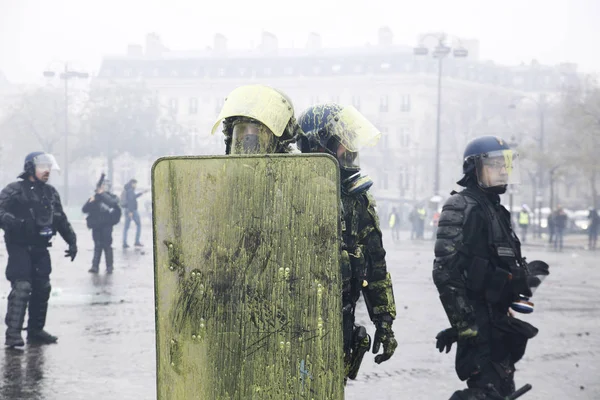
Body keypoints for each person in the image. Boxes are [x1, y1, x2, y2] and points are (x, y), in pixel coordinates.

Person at [432, 136, 545, 399]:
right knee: (485, 393)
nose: (503, 170)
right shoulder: (461, 205)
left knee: (501, 389)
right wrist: (464, 325)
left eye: (506, 165)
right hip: (479, 326)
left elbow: (497, 264)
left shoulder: (497, 210)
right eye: (495, 164)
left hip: (500, 324)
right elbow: (444, 271)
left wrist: (521, 283)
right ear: (474, 168)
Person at [297, 103, 397, 382]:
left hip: (339, 323)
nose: (351, 149)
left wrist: (384, 321)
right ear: (321, 145)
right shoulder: (287, 192)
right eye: (345, 141)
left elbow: (375, 265)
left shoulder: (356, 199)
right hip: (291, 327)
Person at [0, 152, 77, 347]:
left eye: (49, 166)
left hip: (41, 247)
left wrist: (71, 240)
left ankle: (35, 330)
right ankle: (13, 334)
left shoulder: (50, 193)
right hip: (19, 246)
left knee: (42, 288)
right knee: (22, 286)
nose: (47, 170)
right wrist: (15, 223)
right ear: (30, 168)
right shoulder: (14, 190)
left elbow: (59, 218)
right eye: (42, 166)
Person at [211, 84, 302, 155]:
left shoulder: (292, 172)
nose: (249, 139)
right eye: (241, 131)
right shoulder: (223, 174)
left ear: (280, 142)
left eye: (260, 133)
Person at [82, 176, 121, 273]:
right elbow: (85, 209)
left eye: (104, 185)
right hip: (96, 226)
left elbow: (112, 203)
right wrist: (90, 201)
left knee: (107, 246)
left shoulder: (112, 197)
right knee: (97, 246)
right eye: (101, 185)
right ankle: (95, 266)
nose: (102, 187)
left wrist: (102, 194)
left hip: (107, 225)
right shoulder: (95, 198)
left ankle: (109, 267)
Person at [122, 179, 147, 249]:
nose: (136, 185)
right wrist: (131, 211)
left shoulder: (128, 189)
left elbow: (133, 197)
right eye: (135, 183)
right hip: (132, 210)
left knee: (126, 227)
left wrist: (141, 193)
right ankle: (136, 241)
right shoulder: (130, 190)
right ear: (132, 183)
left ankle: (124, 243)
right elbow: (131, 201)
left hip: (128, 210)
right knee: (139, 225)